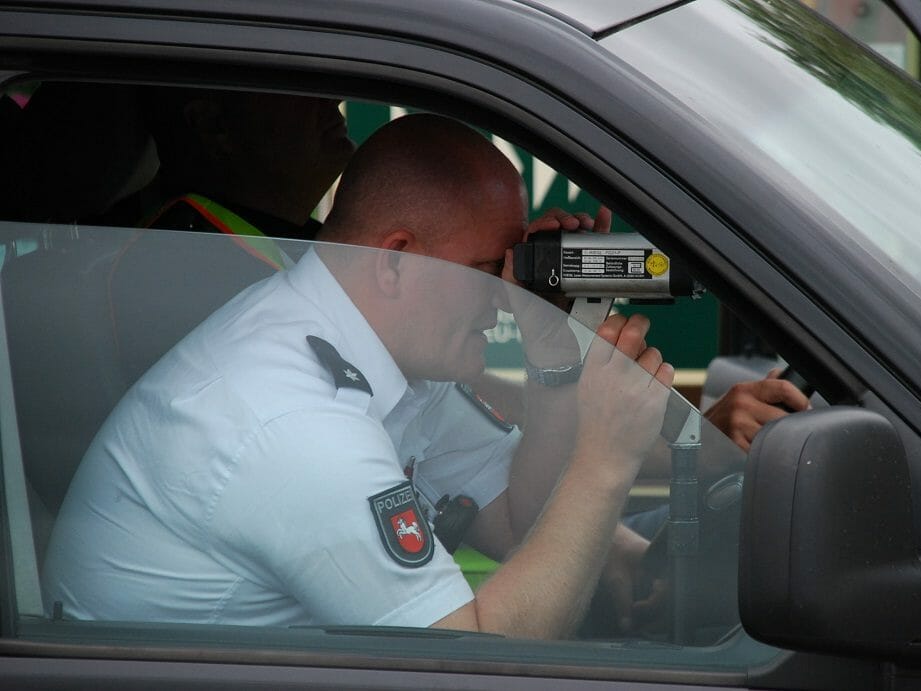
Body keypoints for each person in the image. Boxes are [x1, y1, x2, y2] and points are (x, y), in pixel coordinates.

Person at [42, 113, 676, 638]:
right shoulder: (294, 422)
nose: (506, 297)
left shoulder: (368, 347)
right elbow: (476, 666)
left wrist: (554, 361)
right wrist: (604, 460)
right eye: (489, 271)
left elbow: (518, 524)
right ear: (397, 260)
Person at [109, 88, 356, 384]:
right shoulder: (182, 269)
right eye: (291, 82)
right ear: (213, 124)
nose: (333, 97)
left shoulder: (233, 245)